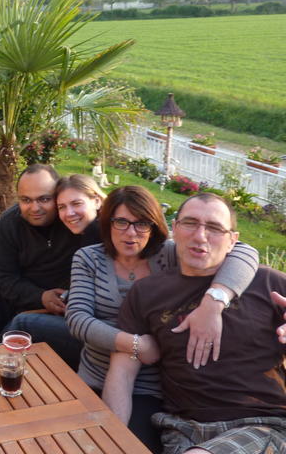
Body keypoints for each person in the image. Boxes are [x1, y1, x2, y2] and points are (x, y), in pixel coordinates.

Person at [64, 185, 258, 452]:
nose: (131, 233)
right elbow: (77, 318)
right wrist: (136, 344)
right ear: (107, 223)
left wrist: (214, 301)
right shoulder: (89, 258)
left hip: (151, 382)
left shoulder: (170, 253)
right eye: (121, 222)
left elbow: (245, 251)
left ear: (154, 226)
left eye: (142, 224)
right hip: (96, 372)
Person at [103, 193, 286, 454]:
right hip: (182, 429)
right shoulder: (146, 292)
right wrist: (111, 439)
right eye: (190, 223)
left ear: (233, 240)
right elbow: (122, 373)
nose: (200, 236)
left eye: (214, 228)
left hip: (261, 425)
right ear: (175, 228)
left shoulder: (270, 283)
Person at [0, 164, 91, 360]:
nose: (35, 208)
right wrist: (40, 296)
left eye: (44, 199)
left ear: (57, 196)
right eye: (26, 200)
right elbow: (4, 278)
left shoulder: (73, 220)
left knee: (11, 340)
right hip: (17, 287)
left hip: (62, 296)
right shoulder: (9, 223)